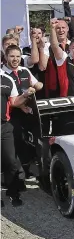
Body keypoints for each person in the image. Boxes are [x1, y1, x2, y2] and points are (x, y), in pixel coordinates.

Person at [1, 70, 30, 206]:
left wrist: (25, 95)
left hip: (5, 126)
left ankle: (12, 192)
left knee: (11, 161)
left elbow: (14, 102)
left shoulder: (7, 79)